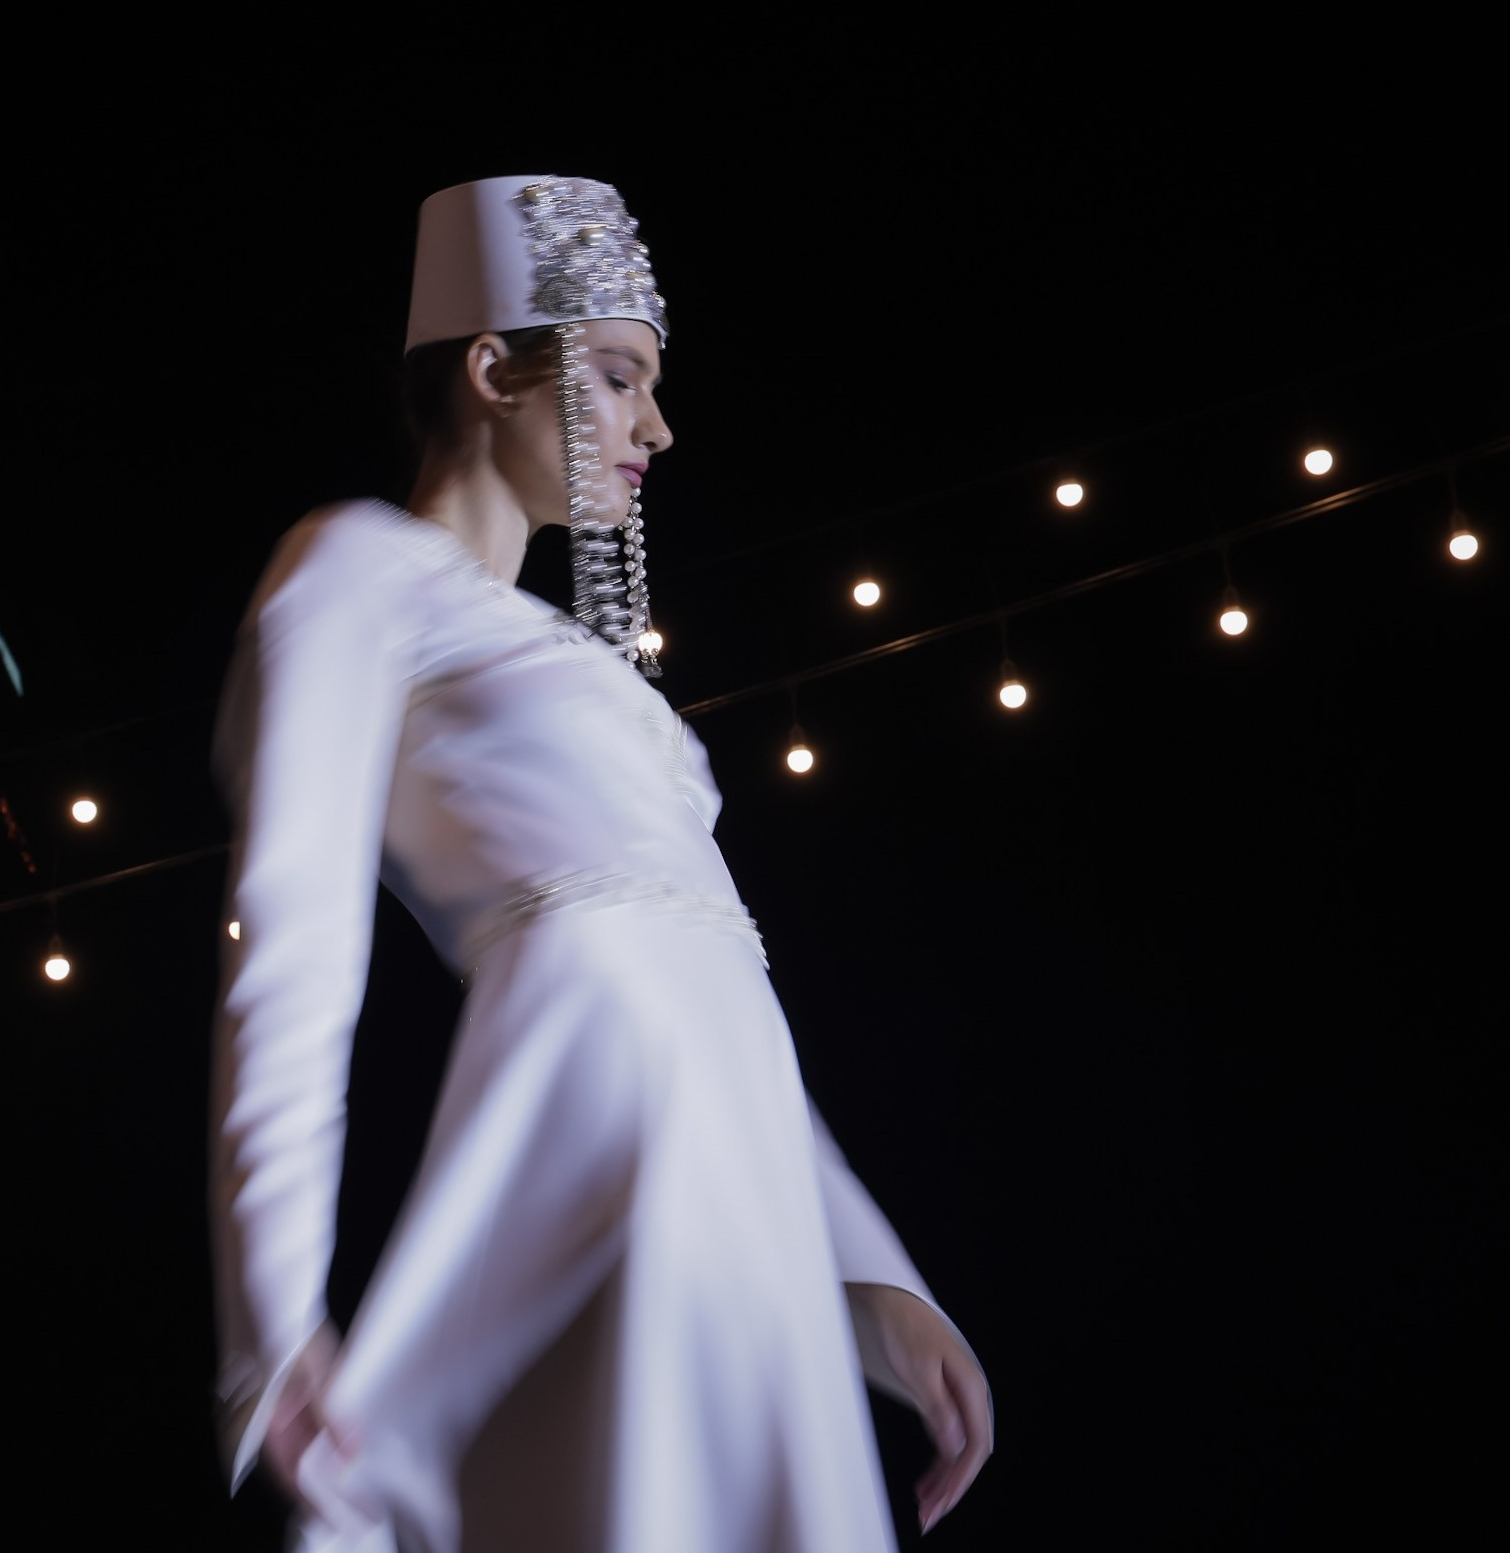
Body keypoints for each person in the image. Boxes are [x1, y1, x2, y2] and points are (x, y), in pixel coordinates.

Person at [208, 175, 993, 1553]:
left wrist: (872, 1275)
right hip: (580, 1129)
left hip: (723, 1160)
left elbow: (714, 986)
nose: (658, 427)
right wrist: (274, 1315)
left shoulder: (592, 669)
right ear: (495, 368)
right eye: (621, 378)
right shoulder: (351, 569)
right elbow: (293, 946)